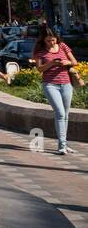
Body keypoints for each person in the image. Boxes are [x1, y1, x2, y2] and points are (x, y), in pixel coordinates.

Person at [32, 24, 77, 155]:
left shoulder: (63, 46)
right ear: (43, 40)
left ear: (56, 38)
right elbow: (39, 69)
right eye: (48, 41)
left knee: (66, 115)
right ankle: (62, 146)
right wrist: (52, 63)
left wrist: (66, 62)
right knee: (60, 113)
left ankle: (64, 143)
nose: (51, 43)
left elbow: (74, 61)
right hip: (50, 85)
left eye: (53, 40)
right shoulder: (41, 51)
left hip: (66, 84)